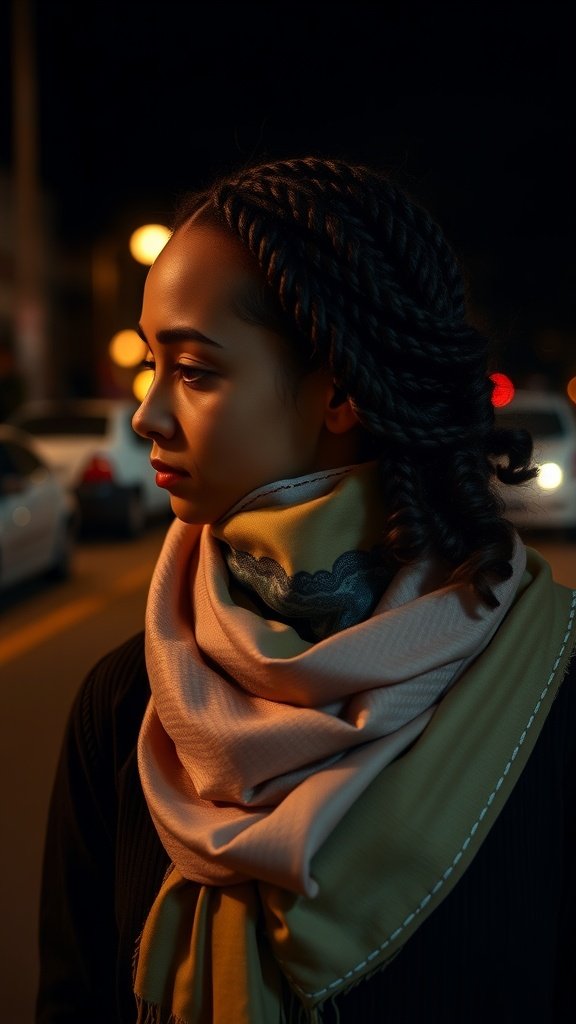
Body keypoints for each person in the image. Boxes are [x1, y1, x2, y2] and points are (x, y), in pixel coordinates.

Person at [36, 156, 576, 1024]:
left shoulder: (549, 686)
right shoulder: (126, 704)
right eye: (152, 363)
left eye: (196, 371)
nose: (148, 415)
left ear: (340, 391)